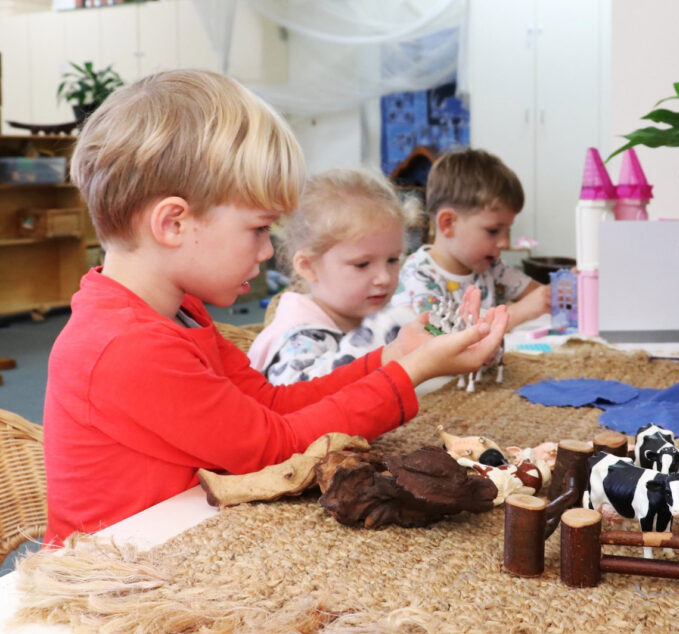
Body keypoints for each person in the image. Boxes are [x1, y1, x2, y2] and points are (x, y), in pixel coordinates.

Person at [42, 70, 508, 546]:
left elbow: (268, 406)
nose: (267, 252)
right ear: (174, 223)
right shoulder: (126, 345)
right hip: (117, 580)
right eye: (258, 229)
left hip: (179, 542)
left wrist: (392, 359)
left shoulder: (176, 313)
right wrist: (411, 373)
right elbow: (273, 447)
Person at [248, 167, 421, 384]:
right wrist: (376, 336)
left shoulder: (361, 312)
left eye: (393, 260)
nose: (384, 278)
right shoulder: (299, 337)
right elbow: (298, 396)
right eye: (362, 264)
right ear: (308, 266)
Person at [390, 148, 549, 329]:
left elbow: (542, 296)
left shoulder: (492, 268)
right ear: (448, 223)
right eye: (493, 230)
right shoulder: (418, 278)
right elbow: (443, 344)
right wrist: (519, 312)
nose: (505, 242)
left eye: (507, 230)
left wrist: (569, 286)